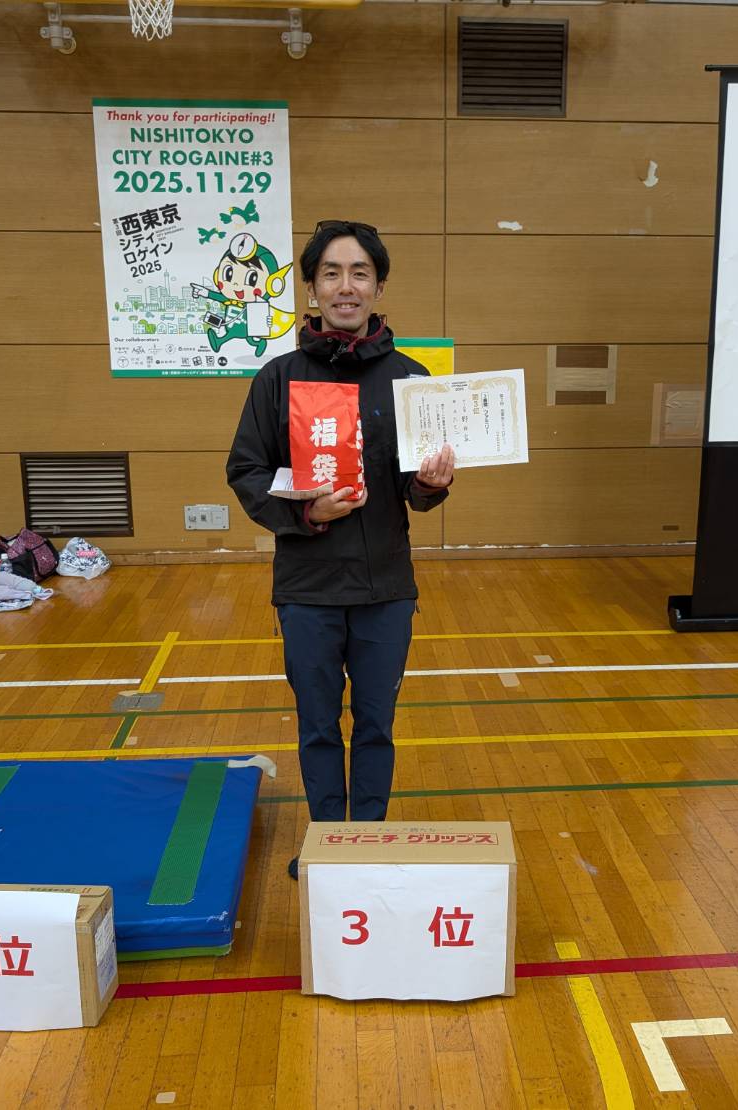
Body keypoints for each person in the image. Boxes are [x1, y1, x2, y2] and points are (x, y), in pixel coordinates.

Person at [227, 220, 455, 879]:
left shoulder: (411, 380)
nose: (345, 286)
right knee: (319, 725)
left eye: (360, 273)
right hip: (308, 587)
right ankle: (329, 844)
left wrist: (430, 484)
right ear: (312, 288)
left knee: (376, 725)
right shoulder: (278, 379)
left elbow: (415, 491)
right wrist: (308, 511)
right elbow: (246, 471)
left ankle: (369, 844)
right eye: (331, 273)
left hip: (386, 587)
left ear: (378, 287)